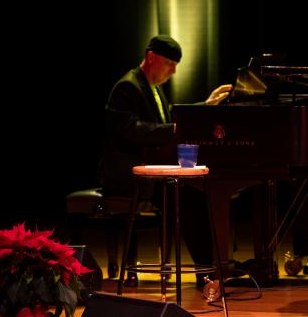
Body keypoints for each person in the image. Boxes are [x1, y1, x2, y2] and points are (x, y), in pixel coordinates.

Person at [98, 34, 232, 286]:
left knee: (196, 194)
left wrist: (205, 106)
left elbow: (168, 120)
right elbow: (130, 130)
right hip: (128, 175)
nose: (173, 70)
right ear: (150, 57)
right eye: (169, 63)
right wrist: (173, 129)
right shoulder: (128, 86)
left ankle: (212, 267)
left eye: (176, 65)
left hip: (149, 171)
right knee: (190, 199)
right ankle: (208, 272)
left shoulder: (153, 87)